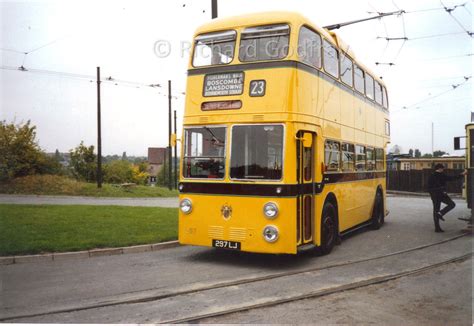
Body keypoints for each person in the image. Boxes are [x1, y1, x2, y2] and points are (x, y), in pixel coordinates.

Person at [427, 163, 467, 232]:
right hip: (441, 194)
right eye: (442, 168)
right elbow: (452, 178)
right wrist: (462, 174)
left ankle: (437, 228)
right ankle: (441, 213)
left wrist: (432, 193)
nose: (443, 170)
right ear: (440, 168)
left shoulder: (431, 176)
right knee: (452, 204)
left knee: (435, 210)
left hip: (434, 195)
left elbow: (428, 187)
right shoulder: (442, 175)